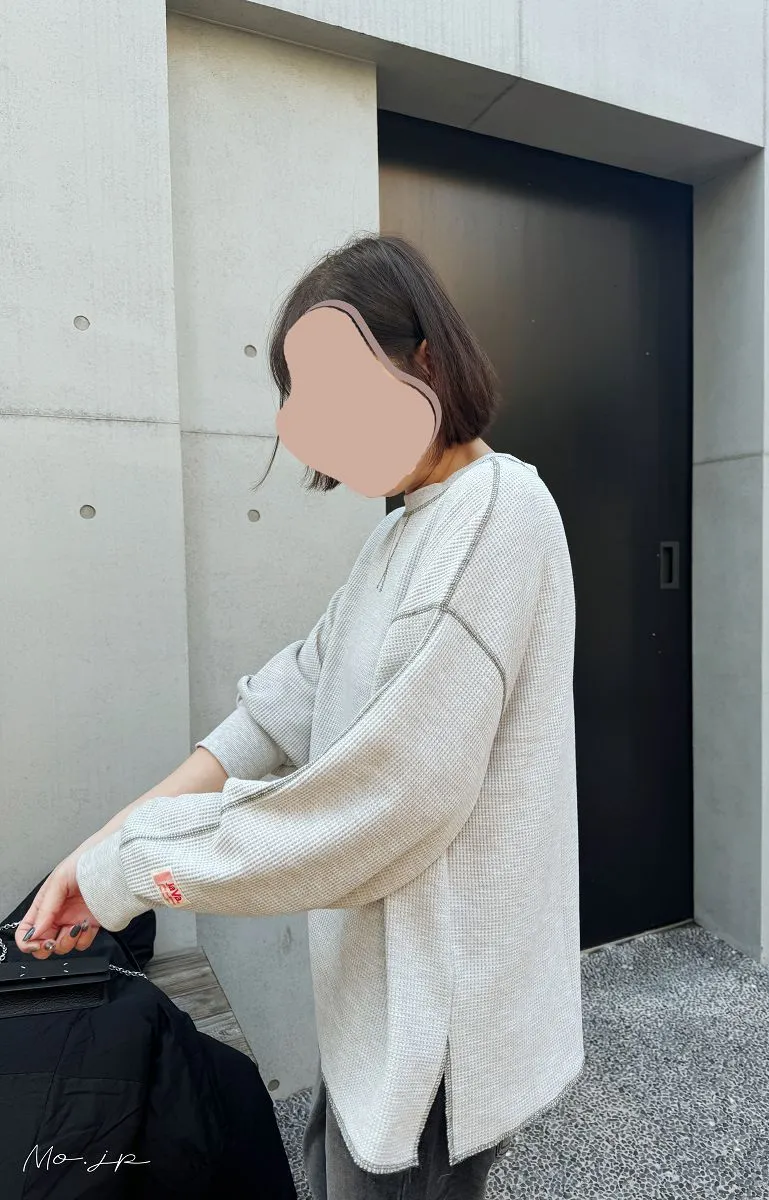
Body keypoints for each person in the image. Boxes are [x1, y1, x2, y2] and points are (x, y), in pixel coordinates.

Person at [16, 235, 584, 1200]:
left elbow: (386, 801)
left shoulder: (498, 514)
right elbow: (277, 708)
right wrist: (98, 850)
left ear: (426, 360)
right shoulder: (401, 535)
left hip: (437, 1027)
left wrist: (133, 869)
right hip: (378, 1007)